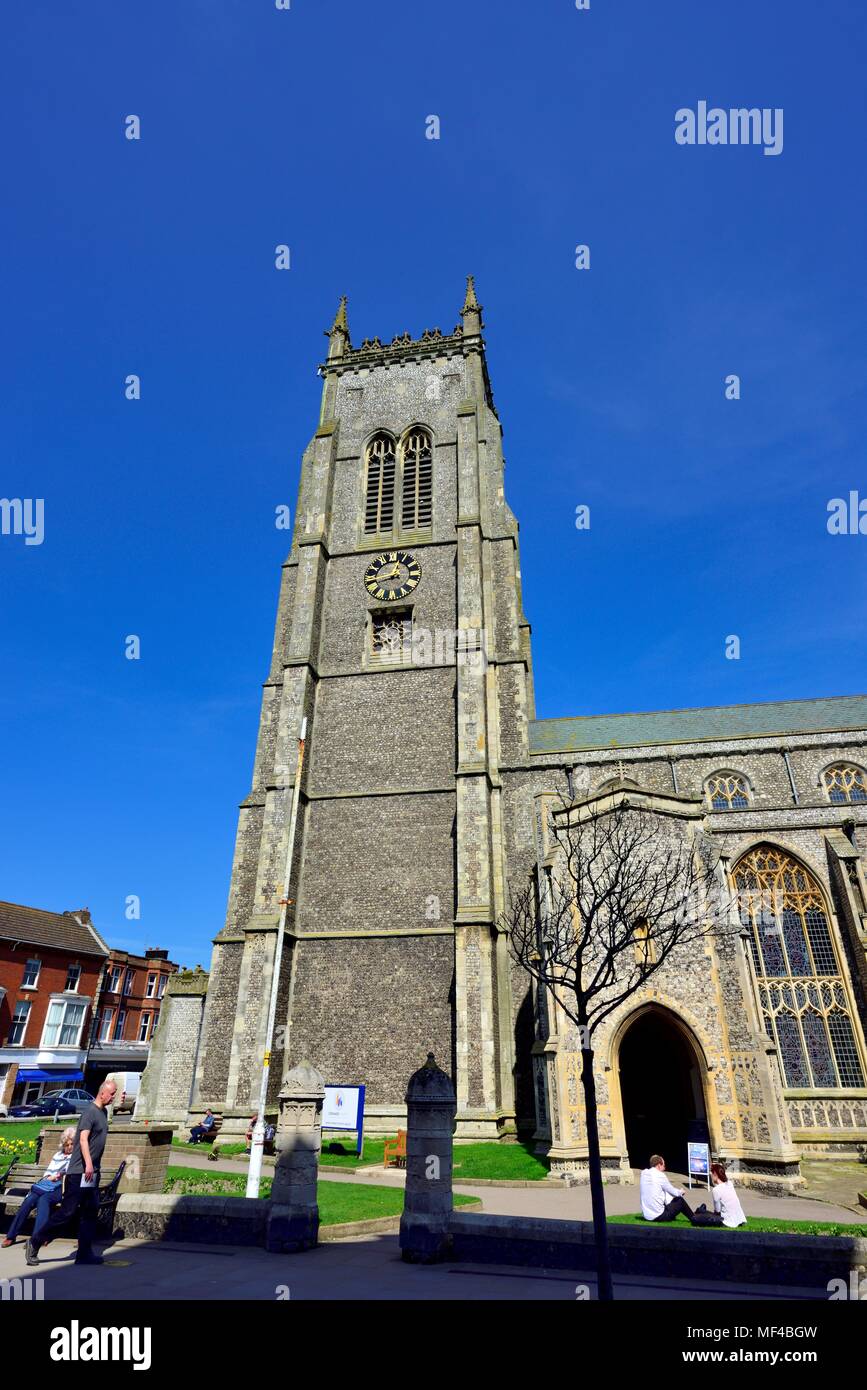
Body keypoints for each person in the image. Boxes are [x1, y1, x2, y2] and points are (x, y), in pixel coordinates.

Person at [26, 1078, 117, 1267]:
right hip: (79, 1172)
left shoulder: (103, 1112)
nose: (114, 1096)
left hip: (92, 1174)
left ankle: (84, 1254)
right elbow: (83, 1140)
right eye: (112, 1093)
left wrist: (94, 1168)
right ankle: (35, 1241)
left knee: (90, 1213)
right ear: (103, 1092)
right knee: (67, 1212)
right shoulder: (89, 1112)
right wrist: (89, 1164)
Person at [2, 1127, 75, 1247]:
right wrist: (49, 1177)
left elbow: (69, 1173)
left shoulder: (75, 1157)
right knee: (29, 1200)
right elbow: (47, 1173)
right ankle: (11, 1236)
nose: (69, 1147)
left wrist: (59, 1175)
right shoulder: (58, 1155)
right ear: (63, 1144)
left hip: (61, 1188)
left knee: (44, 1199)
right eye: (67, 1144)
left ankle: (37, 1238)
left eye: (72, 1144)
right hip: (48, 1185)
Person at [639, 1154, 696, 1223]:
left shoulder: (644, 1173)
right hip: (659, 1216)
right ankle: (694, 1218)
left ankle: (693, 1215)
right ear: (659, 1165)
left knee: (663, 1192)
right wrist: (681, 1191)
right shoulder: (660, 1175)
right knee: (680, 1200)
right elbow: (674, 1192)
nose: (664, 1168)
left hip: (647, 1216)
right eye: (664, 1165)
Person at [705, 1161, 746, 1228]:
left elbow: (717, 1211)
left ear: (715, 1174)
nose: (711, 1176)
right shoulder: (729, 1183)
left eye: (711, 1173)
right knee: (706, 1213)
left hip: (728, 1222)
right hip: (739, 1219)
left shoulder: (716, 1190)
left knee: (704, 1215)